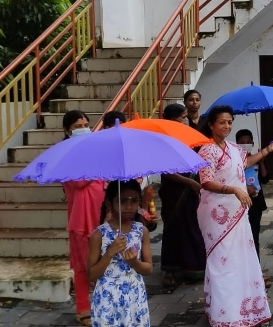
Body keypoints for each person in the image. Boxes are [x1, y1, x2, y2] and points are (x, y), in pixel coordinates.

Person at [196, 105, 273, 327]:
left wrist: (268, 150)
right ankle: (223, 313)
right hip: (216, 214)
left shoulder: (233, 148)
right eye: (222, 122)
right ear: (211, 125)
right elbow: (206, 181)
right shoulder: (207, 150)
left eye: (229, 122)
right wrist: (233, 189)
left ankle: (242, 309)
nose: (227, 126)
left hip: (238, 210)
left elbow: (246, 163)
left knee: (240, 259)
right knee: (222, 260)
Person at [61, 110, 105, 326]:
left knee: (103, 260)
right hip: (81, 218)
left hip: (101, 213)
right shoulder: (65, 153)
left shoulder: (94, 151)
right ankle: (82, 308)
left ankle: (101, 304)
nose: (83, 129)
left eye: (86, 125)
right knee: (82, 264)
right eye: (78, 126)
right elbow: (78, 182)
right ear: (67, 130)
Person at [87, 180, 152, 327]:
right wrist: (110, 253)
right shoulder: (99, 235)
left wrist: (134, 262)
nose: (129, 207)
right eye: (122, 201)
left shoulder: (141, 231)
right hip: (108, 297)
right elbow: (91, 275)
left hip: (135, 295)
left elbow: (148, 269)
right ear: (109, 204)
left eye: (134, 201)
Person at [158, 103, 206, 287]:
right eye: (183, 117)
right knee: (173, 228)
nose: (186, 120)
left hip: (190, 192)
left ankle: (193, 267)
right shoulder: (164, 142)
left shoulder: (187, 137)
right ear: (173, 120)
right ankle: (170, 270)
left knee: (191, 228)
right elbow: (166, 171)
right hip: (174, 192)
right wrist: (190, 182)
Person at [235, 128, 271, 289]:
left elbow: (265, 178)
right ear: (237, 144)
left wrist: (261, 161)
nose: (245, 144)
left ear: (253, 143)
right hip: (240, 202)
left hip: (255, 203)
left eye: (248, 142)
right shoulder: (235, 160)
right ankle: (242, 270)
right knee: (240, 237)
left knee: (254, 236)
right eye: (242, 142)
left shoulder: (256, 158)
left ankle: (256, 270)